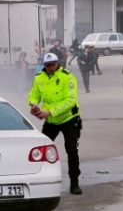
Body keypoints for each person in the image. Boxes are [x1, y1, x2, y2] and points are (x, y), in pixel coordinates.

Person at [28, 52, 84, 195]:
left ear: (58, 63)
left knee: (71, 150)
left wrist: (50, 111)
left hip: (69, 119)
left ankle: (74, 183)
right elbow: (34, 94)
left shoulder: (67, 76)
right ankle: (37, 181)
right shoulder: (39, 77)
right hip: (51, 121)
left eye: (53, 64)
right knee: (40, 149)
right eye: (47, 65)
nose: (51, 67)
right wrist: (33, 105)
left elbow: (70, 101)